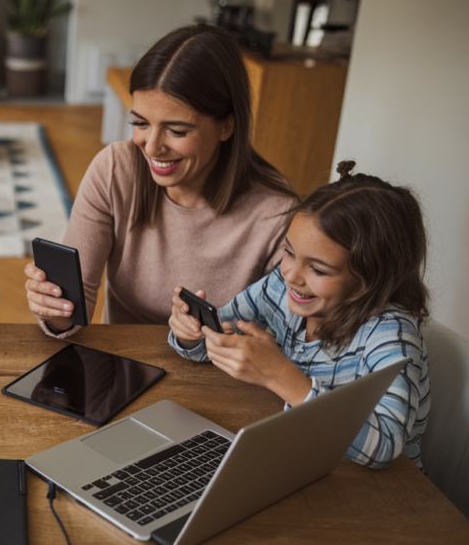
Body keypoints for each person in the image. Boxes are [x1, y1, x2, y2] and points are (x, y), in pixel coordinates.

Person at [24, 24, 297, 338]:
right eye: (140, 123)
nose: (151, 147)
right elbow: (72, 314)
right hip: (122, 367)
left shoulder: (278, 215)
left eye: (177, 130)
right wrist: (54, 308)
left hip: (217, 377)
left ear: (227, 126)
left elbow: (281, 344)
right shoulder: (115, 170)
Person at [168, 161, 430, 469]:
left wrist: (278, 374)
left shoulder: (391, 337)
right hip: (299, 461)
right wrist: (192, 335)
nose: (292, 275)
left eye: (318, 269)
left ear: (372, 278)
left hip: (377, 497)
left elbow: (385, 446)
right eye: (289, 252)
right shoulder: (281, 288)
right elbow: (222, 335)